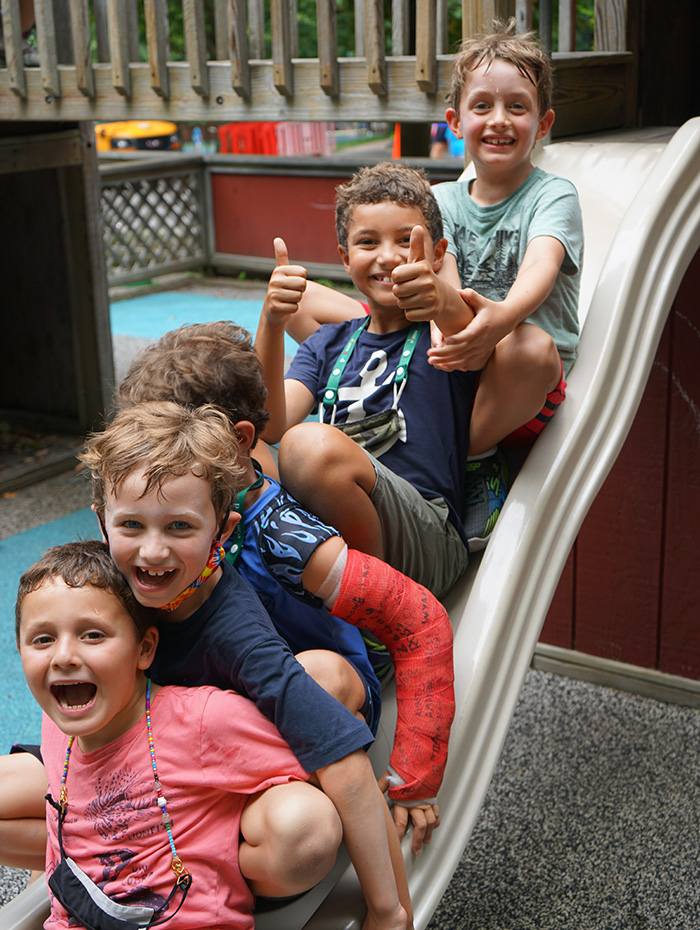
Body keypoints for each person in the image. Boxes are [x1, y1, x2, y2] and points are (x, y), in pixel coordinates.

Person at [4, 403, 411, 930]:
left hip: (216, 768)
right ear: (100, 519)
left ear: (223, 530)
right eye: (130, 523)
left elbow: (343, 759)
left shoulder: (239, 638)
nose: (152, 551)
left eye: (179, 526)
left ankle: (197, 866)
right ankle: (98, 855)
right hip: (125, 754)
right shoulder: (104, 579)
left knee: (321, 705)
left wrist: (390, 910)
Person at [115, 321, 455, 852]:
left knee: (319, 675)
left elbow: (420, 620)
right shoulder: (147, 533)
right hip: (220, 695)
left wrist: (415, 780)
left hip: (296, 693)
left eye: (170, 446)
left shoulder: (284, 535)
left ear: (238, 442)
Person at [271, 23, 583, 551]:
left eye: (518, 107)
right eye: (482, 106)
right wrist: (445, 318)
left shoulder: (552, 194)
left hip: (515, 377)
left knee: (529, 349)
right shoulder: (444, 198)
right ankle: (369, 404)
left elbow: (540, 267)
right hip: (454, 347)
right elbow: (446, 277)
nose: (499, 120)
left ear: (544, 122)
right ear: (456, 122)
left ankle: (472, 462)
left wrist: (498, 321)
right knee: (304, 295)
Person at [15, 539, 341, 930]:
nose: (63, 656)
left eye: (93, 635)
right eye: (42, 639)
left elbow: (322, 760)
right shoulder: (58, 727)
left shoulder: (200, 719)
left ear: (145, 648)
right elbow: (66, 823)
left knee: (306, 819)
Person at [256, 162, 478, 601]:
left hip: (426, 537)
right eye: (368, 242)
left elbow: (466, 324)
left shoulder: (448, 333)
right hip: (334, 529)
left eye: (406, 241)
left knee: (308, 448)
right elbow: (269, 425)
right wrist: (272, 320)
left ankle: (376, 610)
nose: (388, 256)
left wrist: (443, 299)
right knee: (241, 444)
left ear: (437, 254)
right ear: (345, 257)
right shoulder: (328, 342)